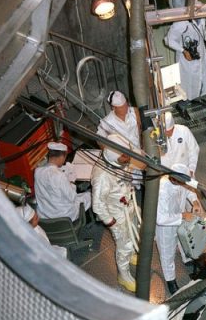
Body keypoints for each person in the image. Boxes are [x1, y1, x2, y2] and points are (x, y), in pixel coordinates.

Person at [91, 134, 138, 292]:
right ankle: (123, 276)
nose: (127, 160)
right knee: (123, 244)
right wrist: (111, 221)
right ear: (113, 158)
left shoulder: (118, 163)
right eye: (123, 158)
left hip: (128, 207)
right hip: (117, 216)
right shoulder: (102, 176)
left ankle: (130, 254)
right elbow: (97, 205)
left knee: (132, 236)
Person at [156, 163, 203, 295]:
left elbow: (189, 190)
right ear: (174, 179)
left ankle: (186, 259)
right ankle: (170, 280)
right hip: (166, 227)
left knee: (184, 241)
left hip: (181, 219)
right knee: (167, 254)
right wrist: (182, 215)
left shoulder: (181, 181)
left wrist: (194, 201)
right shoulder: (162, 190)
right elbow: (160, 218)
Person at [35, 142, 91, 221]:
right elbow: (72, 197)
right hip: (64, 216)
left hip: (45, 214)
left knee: (80, 196)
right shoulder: (60, 176)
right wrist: (71, 181)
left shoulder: (37, 171)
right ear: (62, 156)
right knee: (90, 195)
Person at [97, 90, 143, 186]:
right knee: (131, 181)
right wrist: (113, 156)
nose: (125, 109)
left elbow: (141, 126)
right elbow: (99, 140)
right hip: (126, 156)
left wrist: (143, 143)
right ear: (114, 108)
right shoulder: (107, 121)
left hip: (139, 149)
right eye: (121, 108)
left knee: (143, 172)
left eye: (126, 105)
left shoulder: (134, 111)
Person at [165, 19, 206, 100]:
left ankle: (202, 102)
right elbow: (168, 40)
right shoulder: (180, 23)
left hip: (202, 60)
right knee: (189, 90)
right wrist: (183, 51)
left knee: (204, 86)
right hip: (187, 64)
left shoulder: (203, 19)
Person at [160, 112, 200, 176]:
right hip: (167, 173)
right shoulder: (158, 136)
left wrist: (192, 168)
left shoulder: (184, 131)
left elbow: (194, 149)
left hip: (184, 170)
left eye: (168, 131)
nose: (165, 133)